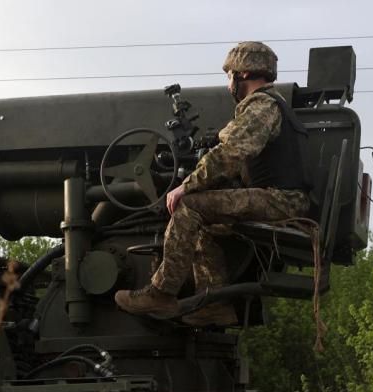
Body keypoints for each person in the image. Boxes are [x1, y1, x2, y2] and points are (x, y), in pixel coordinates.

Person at [114, 41, 311, 327]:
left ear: (243, 74)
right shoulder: (269, 104)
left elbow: (232, 152)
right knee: (205, 222)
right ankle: (213, 304)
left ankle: (161, 292)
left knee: (188, 207)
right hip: (280, 197)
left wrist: (187, 186)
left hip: (281, 200)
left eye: (229, 74)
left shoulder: (262, 106)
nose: (228, 81)